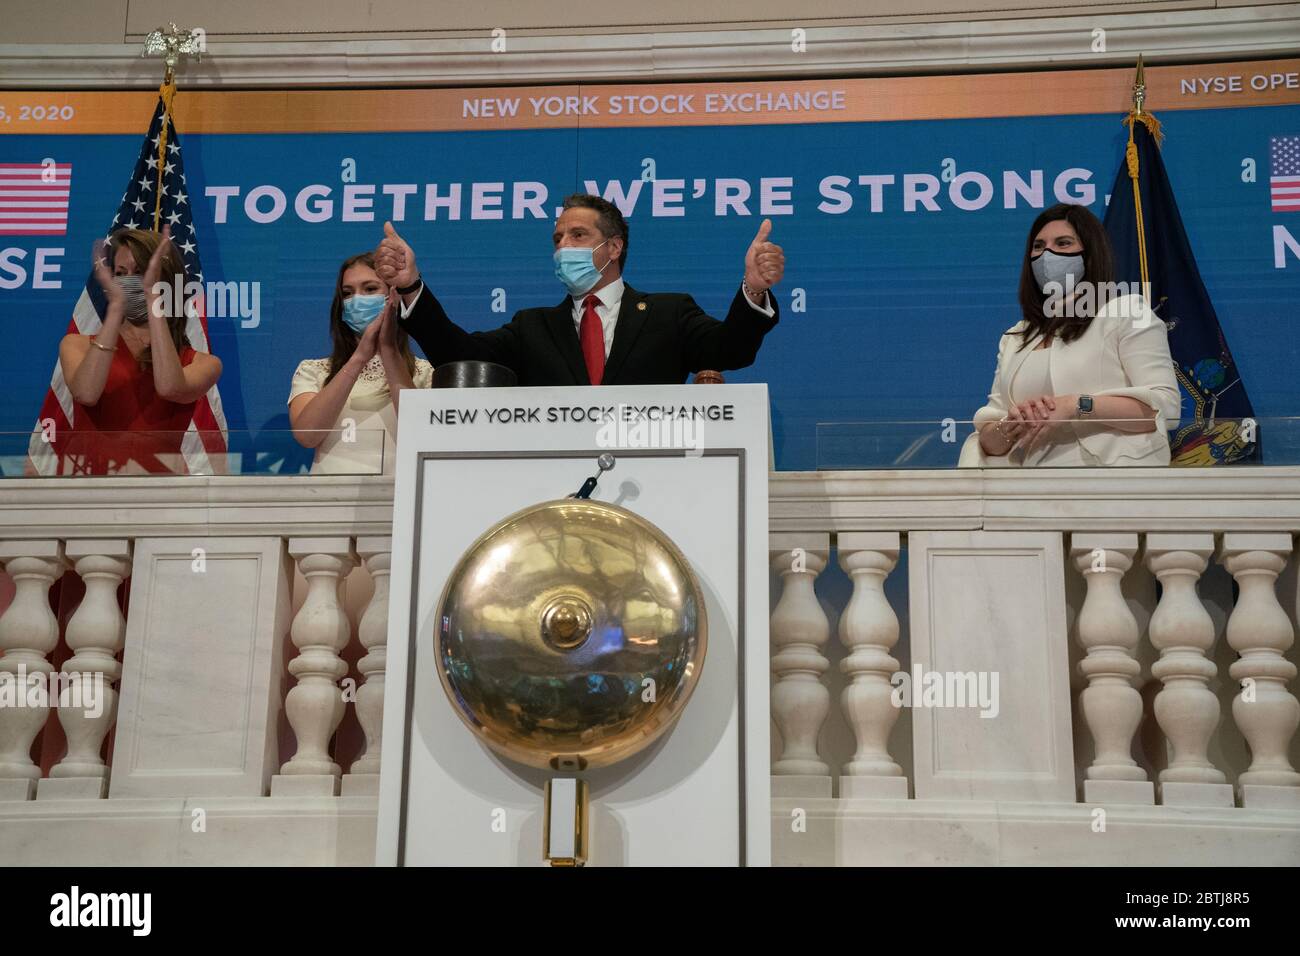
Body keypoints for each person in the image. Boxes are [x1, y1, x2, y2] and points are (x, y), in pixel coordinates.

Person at [373, 193, 786, 386]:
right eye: (557, 239)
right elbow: (459, 355)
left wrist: (752, 288)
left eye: (577, 235)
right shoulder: (532, 327)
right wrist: (410, 287)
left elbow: (729, 351)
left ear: (614, 246)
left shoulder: (668, 313)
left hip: (652, 478)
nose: (562, 247)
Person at [960, 203, 1180, 467]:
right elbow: (990, 439)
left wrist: (1076, 405)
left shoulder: (1127, 312)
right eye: (1039, 246)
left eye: (1063, 243)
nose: (1047, 254)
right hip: (1026, 491)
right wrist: (1009, 427)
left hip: (1112, 486)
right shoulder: (1016, 336)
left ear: (1090, 254)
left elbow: (1165, 410)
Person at [56, 228, 223, 475]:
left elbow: (170, 387)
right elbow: (86, 393)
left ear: (166, 281)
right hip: (85, 486)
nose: (129, 282)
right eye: (121, 274)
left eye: (141, 273)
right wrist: (116, 309)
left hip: (157, 493)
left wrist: (152, 297)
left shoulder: (203, 363)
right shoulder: (76, 344)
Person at [288, 252, 433, 474]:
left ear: (393, 296)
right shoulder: (313, 371)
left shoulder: (424, 373)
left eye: (370, 289)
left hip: (398, 500)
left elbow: (422, 435)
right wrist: (359, 358)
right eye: (347, 293)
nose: (357, 300)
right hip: (328, 500)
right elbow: (307, 436)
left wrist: (388, 350)